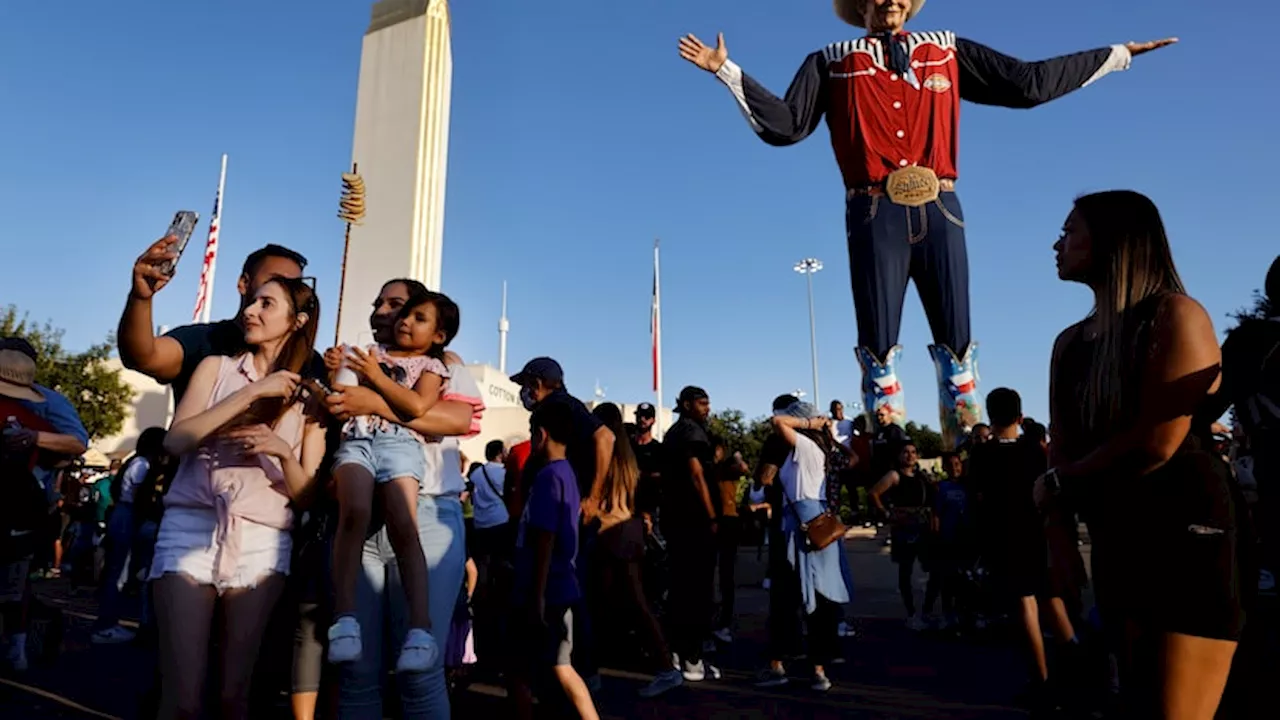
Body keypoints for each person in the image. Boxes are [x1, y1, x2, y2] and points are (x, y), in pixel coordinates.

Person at [678, 0, 1175, 447]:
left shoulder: (945, 50)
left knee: (959, 349)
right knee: (878, 348)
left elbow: (1026, 83)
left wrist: (1116, 56)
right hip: (875, 209)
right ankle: (886, 444)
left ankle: (970, 447)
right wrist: (727, 71)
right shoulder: (830, 59)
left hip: (941, 205)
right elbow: (786, 124)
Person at [1040, 190, 1248, 718]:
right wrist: (1057, 532)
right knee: (1133, 701)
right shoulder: (1070, 344)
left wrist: (1058, 487)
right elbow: (1060, 449)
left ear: (1113, 242)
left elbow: (1159, 443)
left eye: (1070, 231)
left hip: (1187, 534)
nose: (1057, 244)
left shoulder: (1176, 316)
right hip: (1116, 538)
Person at [149, 277, 327, 719]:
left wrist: (283, 452)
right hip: (191, 525)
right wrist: (251, 392)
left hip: (262, 543)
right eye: (252, 300)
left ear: (297, 321)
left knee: (234, 699)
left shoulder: (312, 399)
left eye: (267, 304)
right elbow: (176, 442)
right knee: (184, 702)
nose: (251, 310)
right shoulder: (216, 368)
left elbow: (307, 497)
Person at [322, 279, 481, 719]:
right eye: (382, 303)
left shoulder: (443, 364)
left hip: (427, 513)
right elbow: (335, 409)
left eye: (402, 305)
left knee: (419, 671)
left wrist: (371, 400)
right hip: (363, 518)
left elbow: (455, 418)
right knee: (354, 668)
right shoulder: (359, 358)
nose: (389, 312)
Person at [970, 388, 1082, 710]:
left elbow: (977, 502)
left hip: (1006, 536)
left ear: (990, 418)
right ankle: (1079, 666)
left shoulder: (982, 455)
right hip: (1040, 531)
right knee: (1051, 598)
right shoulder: (1036, 451)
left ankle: (1042, 680)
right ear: (1020, 417)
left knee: (1025, 604)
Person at [118, 240, 321, 402]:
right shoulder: (203, 340)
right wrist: (141, 297)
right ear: (244, 284)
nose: (283, 290)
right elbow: (143, 357)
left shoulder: (309, 361)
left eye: (293, 286)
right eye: (274, 280)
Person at [509, 401, 599, 720]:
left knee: (519, 671)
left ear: (541, 435)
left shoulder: (548, 477)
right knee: (561, 667)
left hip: (545, 588)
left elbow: (544, 539)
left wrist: (536, 596)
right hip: (562, 587)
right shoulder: (567, 473)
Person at [753, 400, 849, 693]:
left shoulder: (805, 447)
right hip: (819, 529)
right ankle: (817, 668)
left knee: (786, 599)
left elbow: (777, 422)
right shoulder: (828, 451)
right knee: (819, 600)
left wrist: (811, 424)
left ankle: (780, 665)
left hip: (798, 533)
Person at [0, 344, 83, 672]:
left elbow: (76, 443)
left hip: (24, 510)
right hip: (23, 509)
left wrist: (35, 440)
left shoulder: (49, 404)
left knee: (14, 587)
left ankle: (21, 643)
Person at [660, 386, 721, 682]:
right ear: (686, 404)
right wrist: (711, 515)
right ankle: (692, 658)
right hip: (693, 522)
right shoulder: (691, 433)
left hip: (676, 521)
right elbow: (697, 475)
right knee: (696, 590)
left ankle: (675, 652)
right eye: (702, 403)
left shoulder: (675, 432)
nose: (707, 408)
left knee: (679, 588)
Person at [92, 426, 169, 644]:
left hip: (122, 514)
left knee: (117, 570)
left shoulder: (134, 462)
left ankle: (108, 622)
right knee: (118, 572)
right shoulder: (142, 465)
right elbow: (139, 497)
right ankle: (106, 625)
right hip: (127, 516)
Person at [869, 441, 935, 629]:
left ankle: (927, 610)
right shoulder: (894, 475)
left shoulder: (921, 476)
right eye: (905, 452)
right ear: (899, 455)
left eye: (913, 452)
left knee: (932, 569)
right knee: (905, 571)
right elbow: (874, 493)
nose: (910, 456)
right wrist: (887, 513)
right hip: (904, 527)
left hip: (922, 526)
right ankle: (911, 613)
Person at [467, 439, 511, 669]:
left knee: (482, 563)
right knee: (500, 562)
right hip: (500, 521)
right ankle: (499, 593)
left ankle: (481, 594)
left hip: (480, 524)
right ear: (499, 453)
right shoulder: (503, 473)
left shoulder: (478, 474)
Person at [711, 436, 750, 644]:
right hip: (723, 521)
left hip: (727, 521)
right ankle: (720, 617)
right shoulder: (714, 470)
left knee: (725, 572)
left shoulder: (725, 469)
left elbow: (743, 468)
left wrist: (736, 457)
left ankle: (724, 619)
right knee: (722, 573)